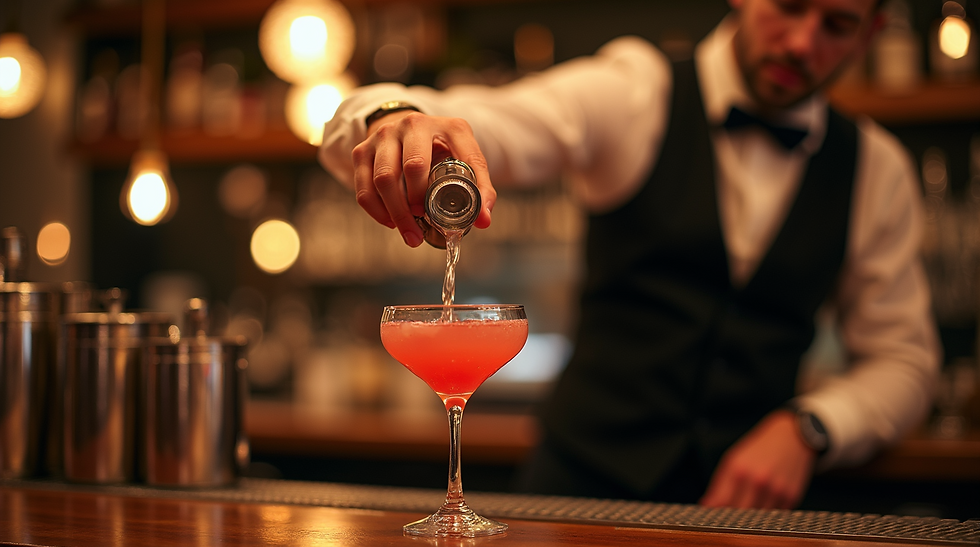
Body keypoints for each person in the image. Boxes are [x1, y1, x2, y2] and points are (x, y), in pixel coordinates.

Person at [318, 0, 940, 510]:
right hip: (579, 494)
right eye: (789, 7)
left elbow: (905, 361)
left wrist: (809, 428)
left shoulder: (875, 169)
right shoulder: (635, 92)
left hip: (746, 514)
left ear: (872, 33)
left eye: (837, 25)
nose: (802, 43)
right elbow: (494, 120)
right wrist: (398, 117)